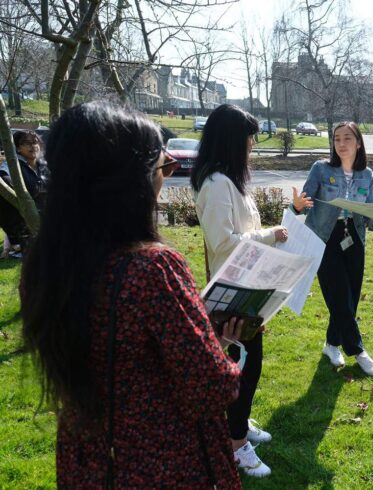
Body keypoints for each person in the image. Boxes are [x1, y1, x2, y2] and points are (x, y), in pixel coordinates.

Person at [21, 101, 243, 488]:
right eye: (163, 169)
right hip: (163, 463)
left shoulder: (43, 267)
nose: (163, 180)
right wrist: (225, 350)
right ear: (128, 183)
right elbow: (211, 387)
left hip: (86, 460)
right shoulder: (153, 270)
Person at [191, 103, 286, 478]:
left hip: (249, 285)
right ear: (232, 139)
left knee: (249, 363)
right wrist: (270, 235)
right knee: (244, 368)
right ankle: (234, 445)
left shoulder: (228, 180)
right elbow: (223, 242)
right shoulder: (215, 185)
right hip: (232, 292)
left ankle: (240, 426)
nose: (251, 144)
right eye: (248, 136)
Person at [291, 121, 373, 376]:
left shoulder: (366, 174)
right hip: (324, 238)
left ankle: (332, 344)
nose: (341, 144)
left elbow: (368, 210)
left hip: (354, 237)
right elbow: (303, 202)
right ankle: (358, 351)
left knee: (350, 296)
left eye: (347, 138)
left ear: (358, 143)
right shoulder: (321, 169)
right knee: (339, 295)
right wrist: (298, 205)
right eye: (337, 139)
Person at [0, 129, 50, 257]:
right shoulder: (13, 165)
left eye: (35, 142)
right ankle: (18, 239)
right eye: (27, 143)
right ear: (18, 148)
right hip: (27, 215)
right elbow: (3, 177)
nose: (33, 146)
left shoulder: (44, 165)